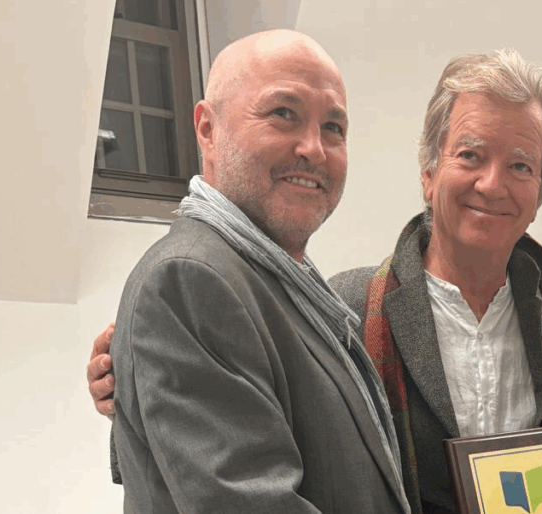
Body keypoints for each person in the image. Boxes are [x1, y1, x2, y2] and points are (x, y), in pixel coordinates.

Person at [87, 50, 542, 513]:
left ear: (540, 192)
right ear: (428, 171)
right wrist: (128, 375)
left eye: (521, 166)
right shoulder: (344, 304)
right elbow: (231, 426)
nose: (492, 184)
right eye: (470, 156)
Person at [107, 30, 409, 513]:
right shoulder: (189, 282)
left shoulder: (279, 279)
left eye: (333, 127)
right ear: (207, 129)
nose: (314, 149)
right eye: (283, 113)